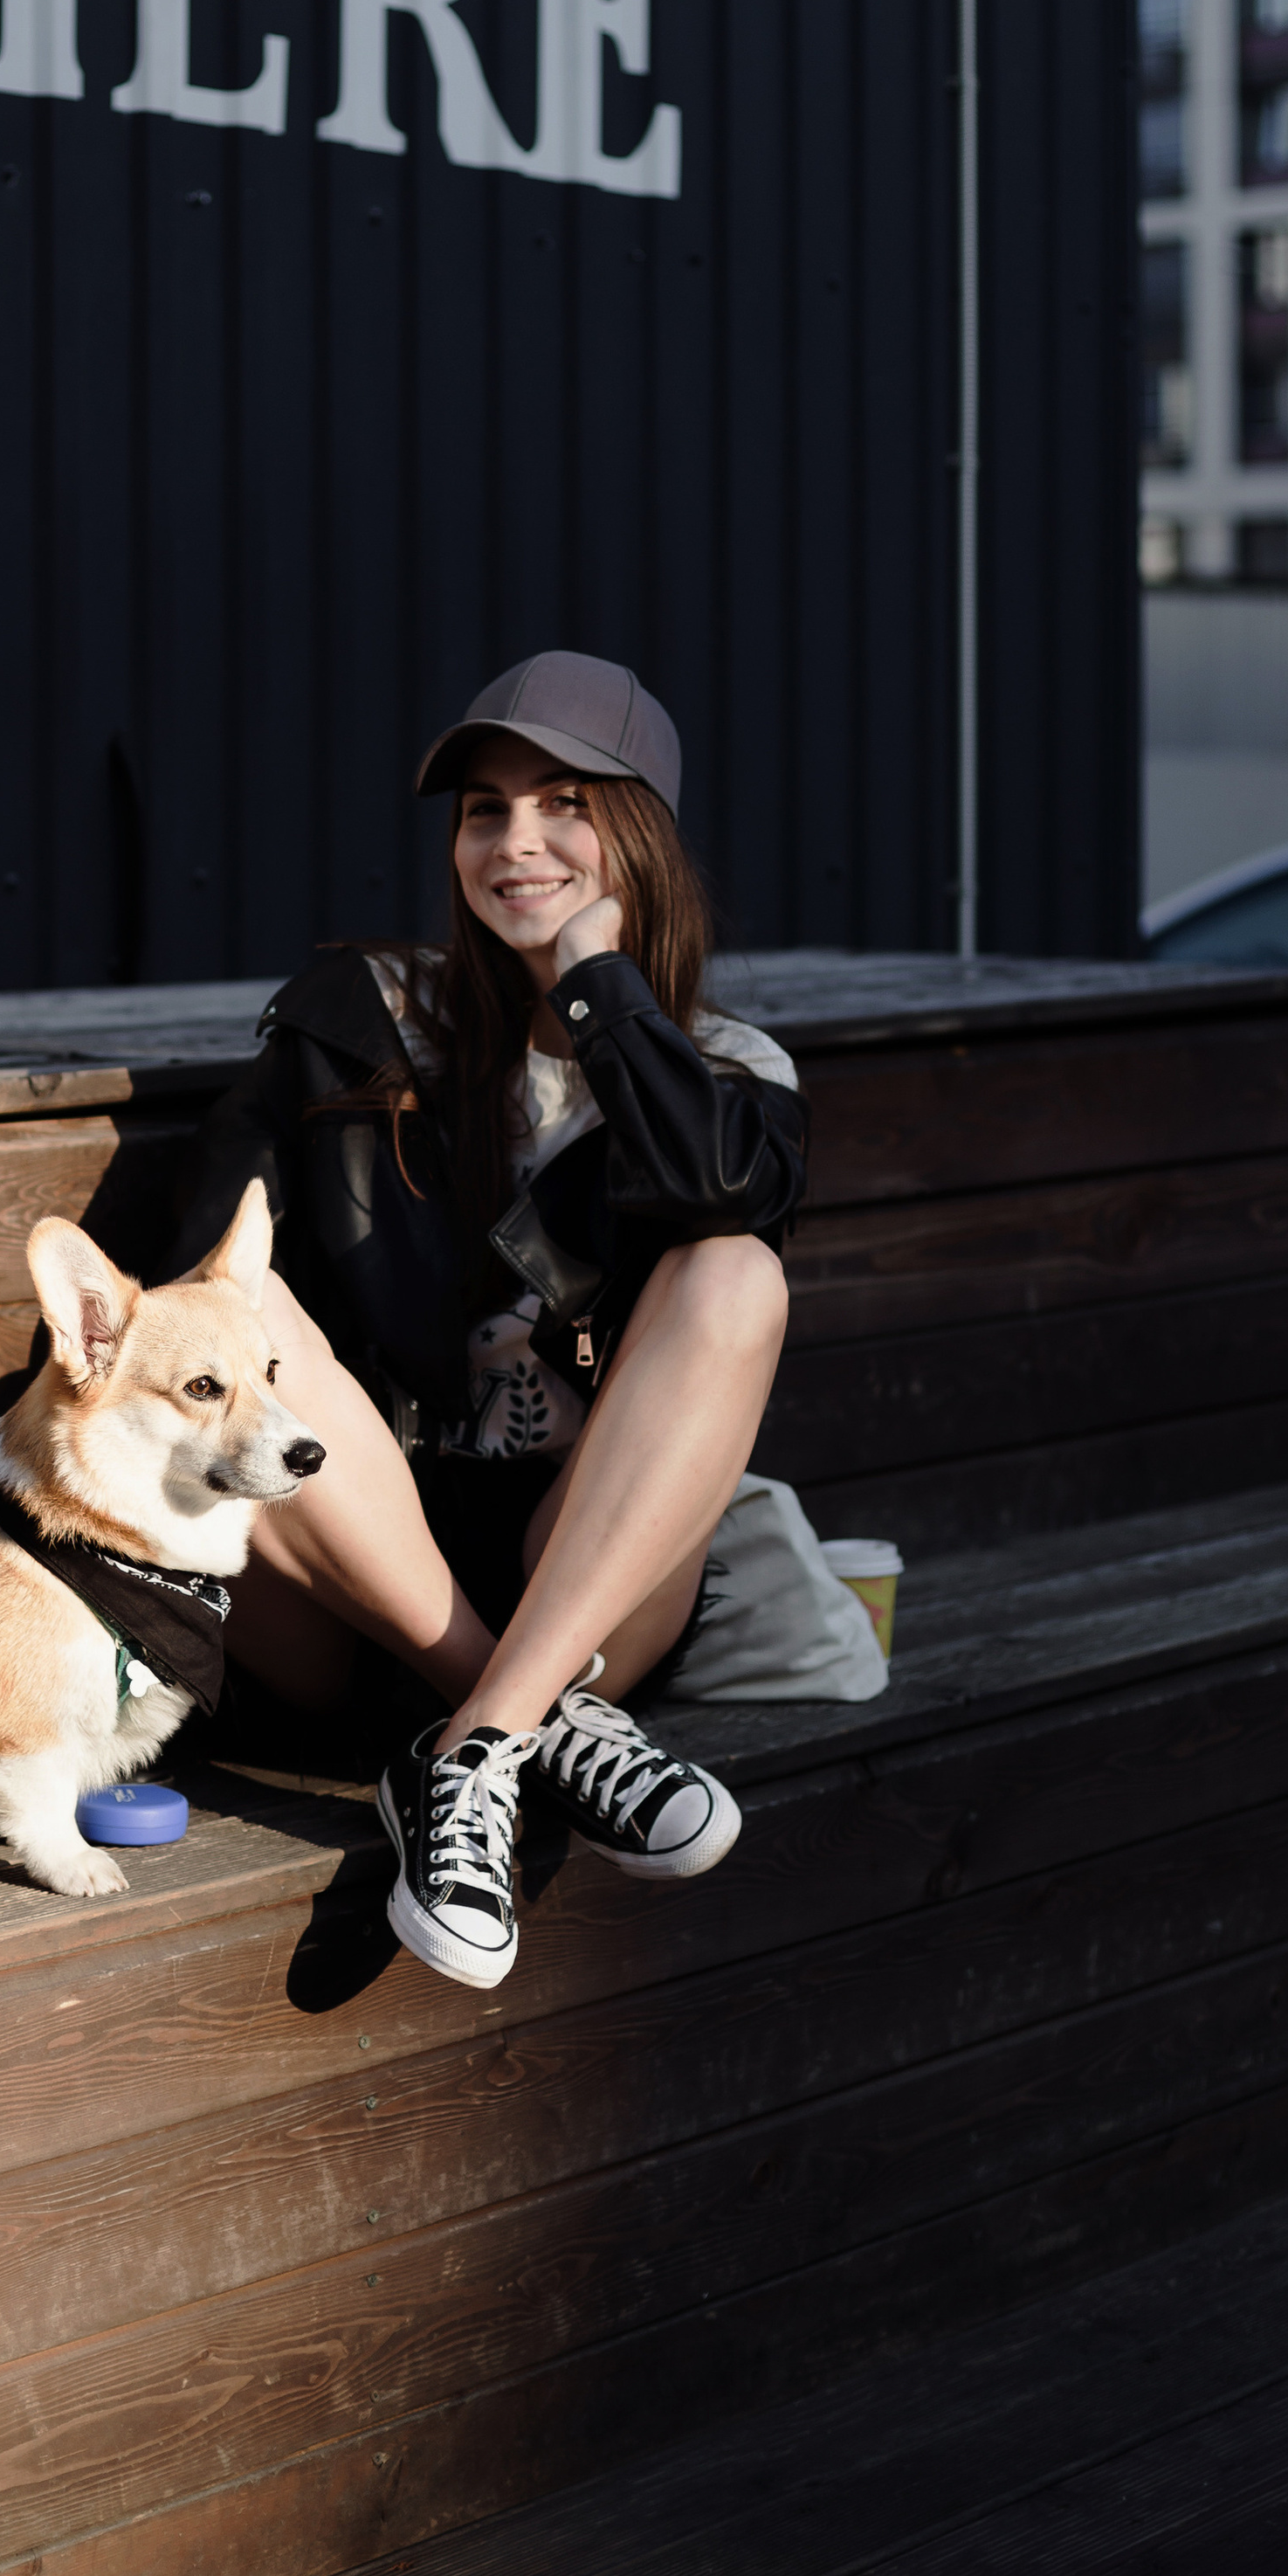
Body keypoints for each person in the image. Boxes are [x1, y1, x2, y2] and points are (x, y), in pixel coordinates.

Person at [170, 652, 805, 1988]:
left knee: (736, 1274)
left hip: (584, 1577)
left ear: (640, 833)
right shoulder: (363, 1026)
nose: (516, 842)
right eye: (483, 811)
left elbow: (715, 1194)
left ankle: (486, 1734)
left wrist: (597, 984)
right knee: (241, 1304)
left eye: (565, 803)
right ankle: (509, 1731)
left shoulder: (733, 1076)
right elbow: (192, 1290)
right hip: (346, 1576)